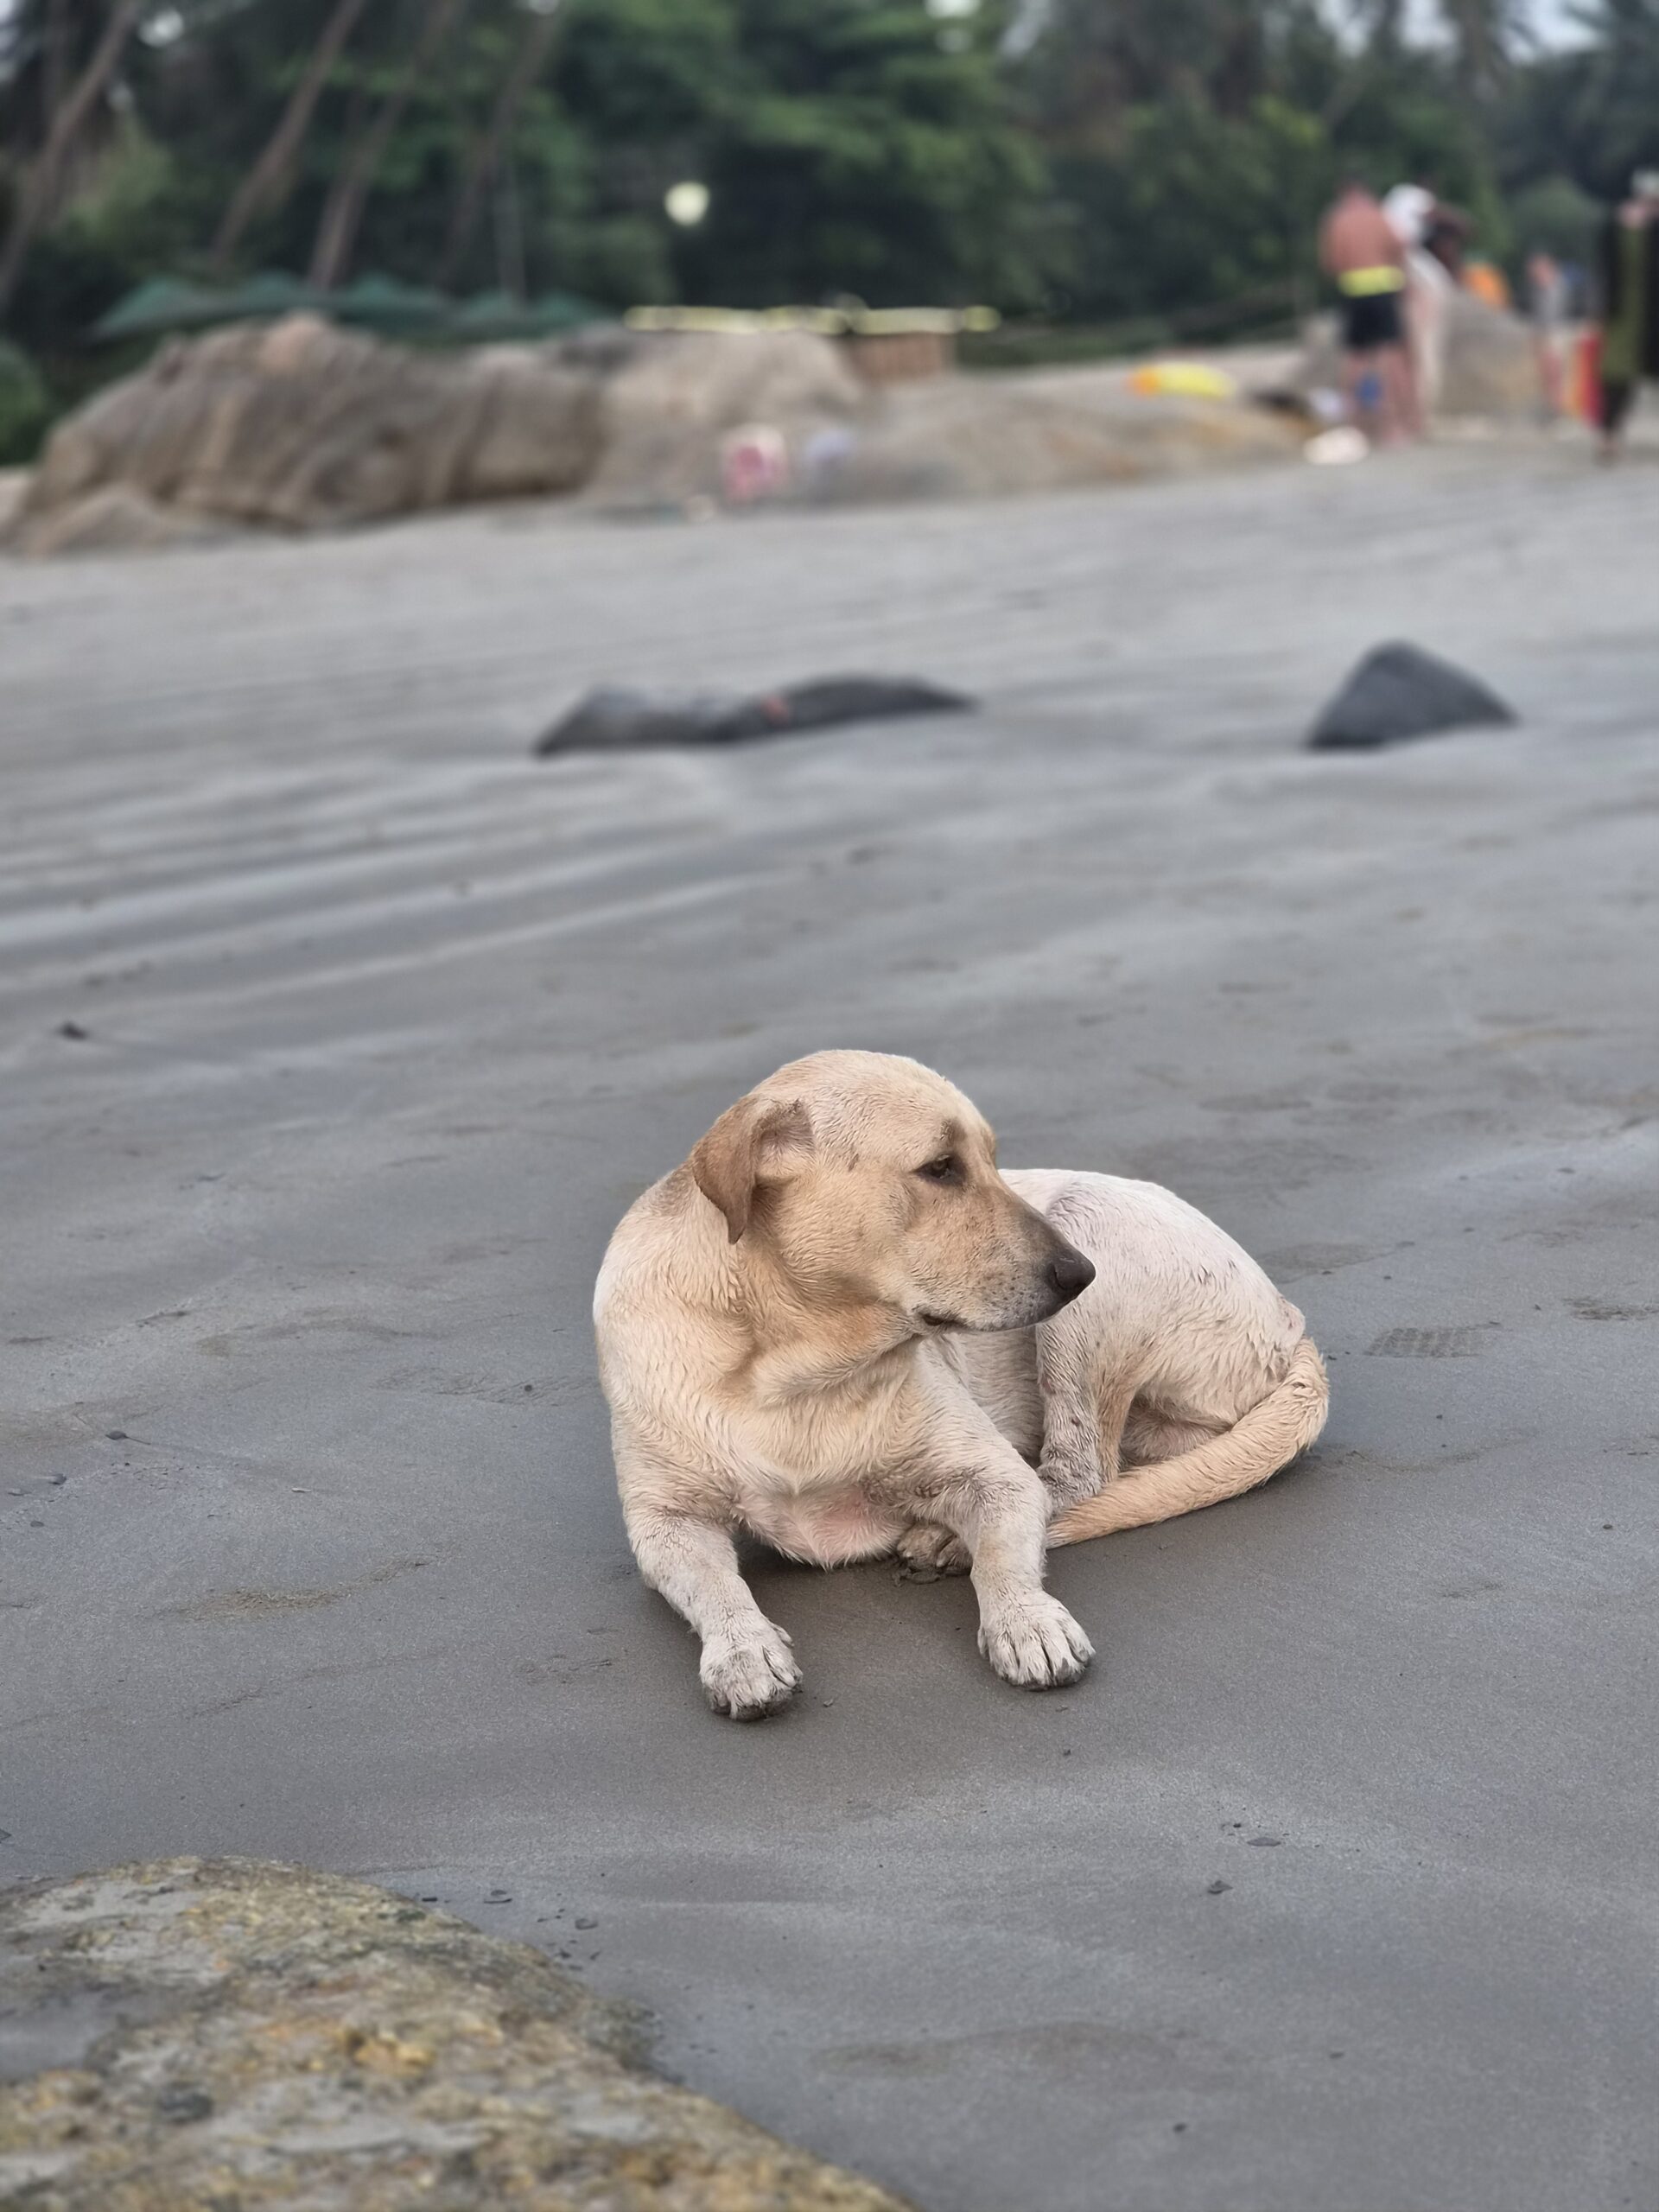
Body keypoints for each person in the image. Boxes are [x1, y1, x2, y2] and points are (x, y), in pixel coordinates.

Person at [1320, 176, 1419, 439]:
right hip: (1384, 289)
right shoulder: (1378, 216)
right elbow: (1400, 246)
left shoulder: (1338, 221)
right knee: (1392, 355)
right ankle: (1400, 423)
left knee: (1355, 357)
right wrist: (1400, 276)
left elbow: (1332, 262)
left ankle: (1353, 423)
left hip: (1353, 291)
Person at [1595, 171, 1659, 461]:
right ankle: (1610, 435)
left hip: (1654, 316)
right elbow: (1605, 267)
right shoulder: (1618, 225)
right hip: (1624, 315)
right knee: (1617, 376)